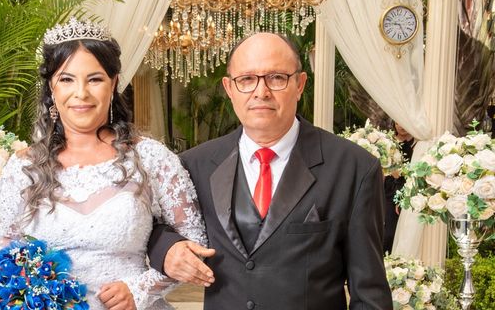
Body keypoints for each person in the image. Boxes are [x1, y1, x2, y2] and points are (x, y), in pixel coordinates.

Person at [147, 32, 392, 310]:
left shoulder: (354, 168)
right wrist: (165, 249)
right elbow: (150, 225)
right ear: (229, 88)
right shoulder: (195, 164)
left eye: (276, 78)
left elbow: (370, 296)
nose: (260, 92)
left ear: (300, 84)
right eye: (247, 80)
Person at [0, 18, 207, 310]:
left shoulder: (152, 159)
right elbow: (4, 257)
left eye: (94, 79)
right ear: (51, 89)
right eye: (66, 79)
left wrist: (141, 288)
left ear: (114, 83)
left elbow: (193, 245)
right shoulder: (22, 169)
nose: (81, 93)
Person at [383, 121, 415, 253]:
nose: (401, 126)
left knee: (401, 229)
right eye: (397, 123)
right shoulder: (388, 141)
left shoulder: (418, 143)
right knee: (387, 230)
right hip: (388, 188)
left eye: (403, 123)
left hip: (407, 187)